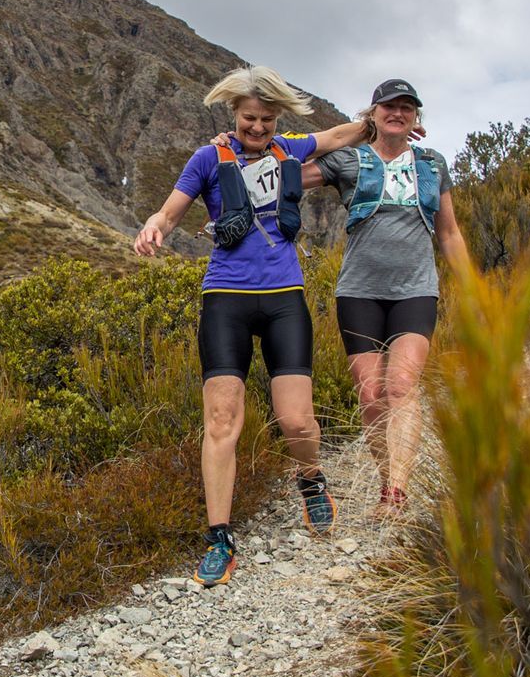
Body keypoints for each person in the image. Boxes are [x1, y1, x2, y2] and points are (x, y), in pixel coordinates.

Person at [133, 67, 374, 586]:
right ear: (233, 115)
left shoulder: (290, 150)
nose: (258, 128)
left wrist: (379, 122)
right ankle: (219, 535)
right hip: (226, 298)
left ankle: (311, 481)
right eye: (249, 119)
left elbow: (338, 136)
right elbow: (171, 213)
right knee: (221, 421)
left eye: (266, 119)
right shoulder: (207, 157)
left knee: (297, 421)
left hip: (284, 298)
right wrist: (154, 227)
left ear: (277, 119)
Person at [307, 78, 467, 516]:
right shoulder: (349, 160)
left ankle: (397, 490)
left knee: (401, 385)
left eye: (407, 108)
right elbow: (290, 175)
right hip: (358, 292)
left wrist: (475, 290)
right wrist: (354, 132)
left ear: (417, 116)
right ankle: (384, 480)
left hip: (415, 290)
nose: (398, 113)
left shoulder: (433, 164)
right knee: (371, 393)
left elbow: (450, 233)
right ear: (373, 113)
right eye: (388, 107)